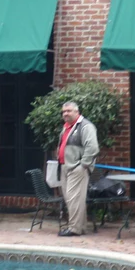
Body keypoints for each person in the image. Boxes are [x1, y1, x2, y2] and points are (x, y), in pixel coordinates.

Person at [57, 101, 99, 237]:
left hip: (77, 168)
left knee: (73, 198)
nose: (65, 114)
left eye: (69, 111)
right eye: (64, 111)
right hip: (65, 167)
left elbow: (92, 147)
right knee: (72, 199)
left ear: (77, 112)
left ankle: (74, 228)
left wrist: (83, 165)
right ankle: (80, 227)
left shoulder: (86, 126)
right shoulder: (67, 127)